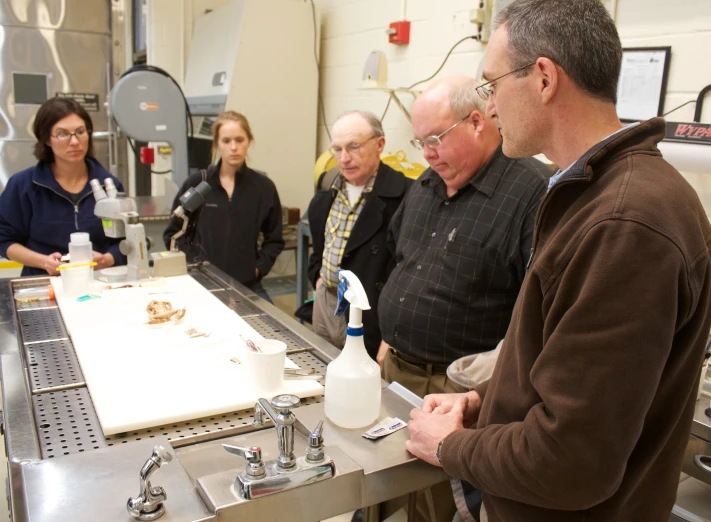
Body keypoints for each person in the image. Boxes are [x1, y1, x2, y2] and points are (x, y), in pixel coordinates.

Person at [405, 2, 711, 522]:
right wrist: (482, 402)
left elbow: (570, 460)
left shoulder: (624, 223)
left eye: (492, 85)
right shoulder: (592, 193)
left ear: (544, 79)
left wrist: (451, 448)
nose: (491, 106)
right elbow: (564, 370)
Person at [377, 75, 549, 522]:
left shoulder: (532, 194)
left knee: (436, 505)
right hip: (396, 368)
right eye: (420, 143)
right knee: (382, 493)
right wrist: (386, 340)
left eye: (435, 139)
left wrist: (479, 396)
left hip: (458, 392)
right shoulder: (428, 183)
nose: (428, 154)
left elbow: (537, 313)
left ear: (477, 121)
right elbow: (403, 260)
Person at [307, 111, 410, 358]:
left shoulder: (406, 195)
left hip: (371, 312)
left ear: (380, 144)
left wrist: (391, 335)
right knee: (323, 369)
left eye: (354, 147)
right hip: (327, 302)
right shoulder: (328, 190)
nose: (344, 159)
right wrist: (319, 278)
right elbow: (319, 247)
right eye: (337, 149)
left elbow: (407, 271)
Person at [163, 111, 283, 302]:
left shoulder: (263, 188)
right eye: (226, 141)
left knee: (271, 329)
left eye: (239, 140)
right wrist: (196, 264)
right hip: (203, 285)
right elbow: (173, 233)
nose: (233, 147)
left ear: (249, 141)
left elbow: (274, 239)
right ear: (217, 144)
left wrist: (257, 268)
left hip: (247, 285)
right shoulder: (198, 184)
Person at [0, 97, 125, 276]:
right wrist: (44, 262)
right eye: (63, 134)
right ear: (46, 140)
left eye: (80, 132)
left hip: (97, 285)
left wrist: (106, 260)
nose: (74, 142)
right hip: (43, 282)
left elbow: (126, 243)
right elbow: (4, 240)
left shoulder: (109, 185)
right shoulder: (25, 186)